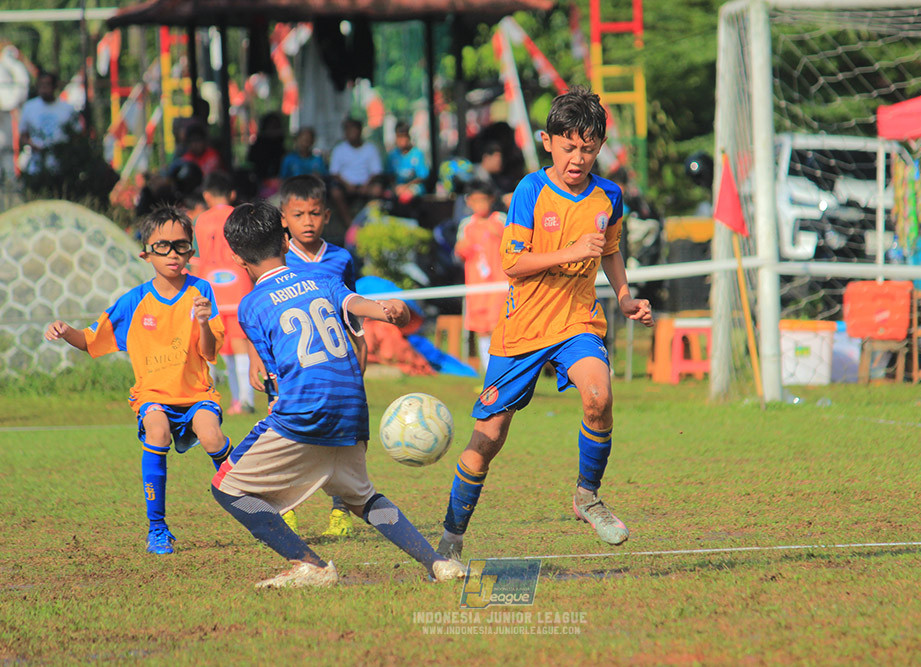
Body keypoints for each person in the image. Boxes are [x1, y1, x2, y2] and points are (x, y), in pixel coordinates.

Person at [435, 87, 654, 561]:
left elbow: (610, 250)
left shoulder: (609, 195)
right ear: (548, 142)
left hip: (578, 320)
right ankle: (451, 535)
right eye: (569, 146)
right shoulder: (531, 190)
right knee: (488, 437)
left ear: (600, 147)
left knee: (599, 396)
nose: (578, 158)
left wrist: (624, 296)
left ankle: (587, 497)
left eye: (588, 148)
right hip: (524, 330)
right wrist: (571, 252)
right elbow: (512, 264)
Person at [214, 200, 465, 588]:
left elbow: (273, 376)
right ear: (285, 240)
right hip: (351, 406)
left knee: (227, 487)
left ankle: (309, 564)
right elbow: (355, 304)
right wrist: (387, 310)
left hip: (305, 409)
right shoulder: (320, 279)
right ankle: (438, 564)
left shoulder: (251, 305)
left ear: (236, 257)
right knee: (362, 498)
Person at [44, 207, 232, 555]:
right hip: (154, 395)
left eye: (181, 245)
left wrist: (204, 322)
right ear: (146, 253)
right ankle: (158, 529)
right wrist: (66, 330)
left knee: (212, 435)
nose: (173, 253)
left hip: (195, 394)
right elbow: (91, 340)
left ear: (191, 251)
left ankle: (249, 498)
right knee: (157, 430)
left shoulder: (201, 291)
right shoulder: (134, 302)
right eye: (163, 246)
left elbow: (209, 353)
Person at [274, 174, 367, 538]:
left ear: (327, 216)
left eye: (314, 214)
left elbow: (351, 307)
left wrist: (362, 344)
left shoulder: (341, 258)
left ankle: (341, 509)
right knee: (290, 439)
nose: (307, 221)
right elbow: (263, 309)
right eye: (299, 214)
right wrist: (257, 360)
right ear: (284, 217)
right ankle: (287, 508)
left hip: (337, 368)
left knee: (342, 439)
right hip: (293, 368)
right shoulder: (278, 259)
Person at [190, 171, 255, 415]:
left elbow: (195, 261)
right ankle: (247, 400)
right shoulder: (239, 216)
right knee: (240, 345)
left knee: (218, 346)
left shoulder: (200, 220)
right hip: (239, 287)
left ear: (206, 195)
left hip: (210, 291)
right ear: (232, 194)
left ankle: (227, 399)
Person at [453, 179, 506, 372]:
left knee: (497, 326)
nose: (480, 204)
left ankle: (502, 369)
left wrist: (500, 236)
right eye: (475, 200)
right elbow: (459, 251)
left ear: (491, 199)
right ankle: (488, 371)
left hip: (499, 284)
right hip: (476, 285)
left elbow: (513, 245)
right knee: (482, 328)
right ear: (469, 202)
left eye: (483, 199)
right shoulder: (467, 224)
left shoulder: (500, 220)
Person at [18, 71, 77, 176]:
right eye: (41, 85)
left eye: (47, 84)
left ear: (54, 86)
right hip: (36, 164)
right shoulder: (29, 107)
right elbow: (23, 135)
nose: (44, 88)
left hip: (61, 164)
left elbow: (77, 134)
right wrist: (32, 145)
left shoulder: (67, 109)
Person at [328, 117, 383, 227]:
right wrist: (347, 185)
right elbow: (334, 173)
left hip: (366, 185)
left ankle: (371, 222)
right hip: (345, 185)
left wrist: (366, 185)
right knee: (335, 192)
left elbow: (376, 171)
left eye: (354, 130)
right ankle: (350, 224)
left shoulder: (370, 149)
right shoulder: (339, 149)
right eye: (348, 130)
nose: (351, 133)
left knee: (377, 190)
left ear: (360, 131)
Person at [385, 121, 429, 205]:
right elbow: (389, 175)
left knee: (406, 197)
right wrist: (395, 187)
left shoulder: (417, 154)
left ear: (409, 137)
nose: (402, 140)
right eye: (399, 137)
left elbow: (422, 177)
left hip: (413, 187)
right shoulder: (393, 155)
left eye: (404, 136)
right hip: (397, 187)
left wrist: (405, 187)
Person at [247, 111, 286, 197]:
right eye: (271, 126)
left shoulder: (281, 145)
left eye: (275, 126)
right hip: (260, 182)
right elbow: (252, 161)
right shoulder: (258, 145)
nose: (273, 130)